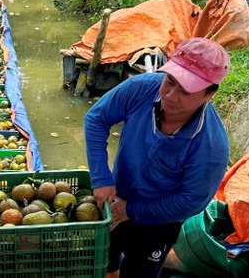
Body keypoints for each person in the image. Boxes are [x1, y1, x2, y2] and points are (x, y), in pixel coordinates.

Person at [84, 37, 231, 278]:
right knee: (103, 259)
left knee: (141, 271)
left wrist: (130, 210)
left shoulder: (211, 147)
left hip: (161, 219)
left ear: (209, 94)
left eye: (185, 91)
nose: (171, 96)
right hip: (115, 195)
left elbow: (191, 201)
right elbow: (96, 119)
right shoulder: (141, 89)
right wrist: (101, 178)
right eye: (170, 81)